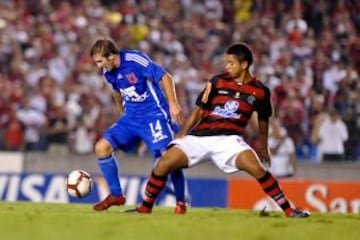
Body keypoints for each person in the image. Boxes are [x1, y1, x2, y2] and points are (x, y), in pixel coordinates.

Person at [128, 42, 309, 218]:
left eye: (231, 63)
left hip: (229, 140)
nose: (227, 66)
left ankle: (289, 210)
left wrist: (263, 147)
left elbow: (263, 120)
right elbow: (198, 110)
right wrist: (182, 135)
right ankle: (145, 207)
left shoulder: (260, 92)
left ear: (244, 65)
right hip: (200, 137)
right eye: (226, 63)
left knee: (258, 170)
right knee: (163, 164)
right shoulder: (218, 82)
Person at [89, 36, 188, 214]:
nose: (99, 66)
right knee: (101, 148)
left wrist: (173, 104)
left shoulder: (135, 60)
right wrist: (122, 113)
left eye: (100, 61)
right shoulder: (107, 71)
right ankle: (117, 195)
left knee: (169, 158)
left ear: (111, 56)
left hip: (153, 115)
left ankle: (181, 202)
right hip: (131, 118)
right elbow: (117, 92)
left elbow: (166, 77)